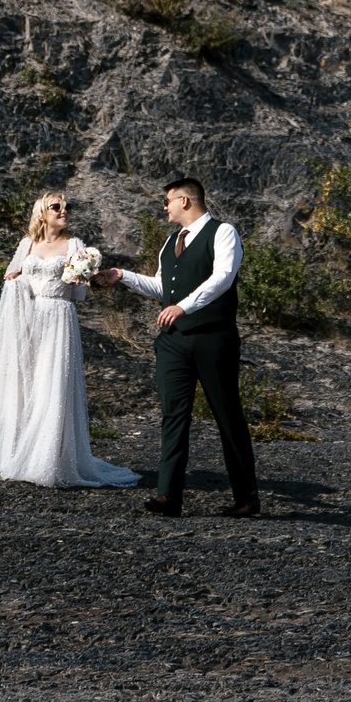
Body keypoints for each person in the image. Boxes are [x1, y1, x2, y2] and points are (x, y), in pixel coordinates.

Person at [97, 176, 260, 519]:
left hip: (213, 338)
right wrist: (122, 276)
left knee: (228, 415)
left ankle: (246, 498)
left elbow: (223, 277)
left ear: (184, 201)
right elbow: (162, 288)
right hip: (173, 342)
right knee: (173, 416)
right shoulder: (171, 241)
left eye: (167, 201)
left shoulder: (223, 232)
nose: (164, 208)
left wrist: (183, 306)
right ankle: (168, 496)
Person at [0, 191, 140, 489]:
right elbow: (12, 276)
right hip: (28, 319)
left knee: (52, 382)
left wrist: (86, 276)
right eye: (57, 207)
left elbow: (79, 291)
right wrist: (16, 283)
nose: (64, 211)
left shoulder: (75, 245)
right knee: (28, 380)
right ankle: (21, 449)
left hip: (58, 317)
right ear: (42, 213)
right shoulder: (27, 244)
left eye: (67, 207)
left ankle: (48, 458)